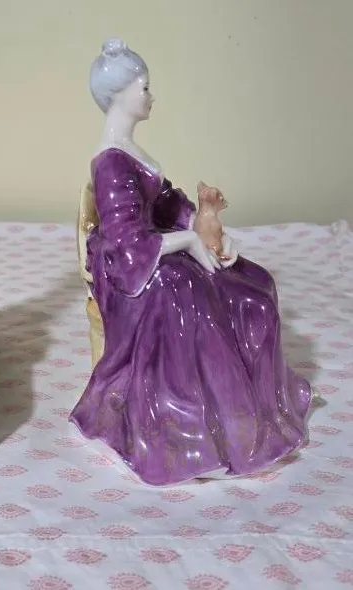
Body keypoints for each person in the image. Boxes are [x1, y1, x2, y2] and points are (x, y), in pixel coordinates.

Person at [70, 39, 313, 486]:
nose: (151, 96)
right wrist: (186, 241)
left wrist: (208, 230)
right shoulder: (109, 163)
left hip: (154, 244)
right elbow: (126, 241)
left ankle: (253, 406)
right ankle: (198, 427)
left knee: (253, 285)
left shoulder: (130, 150)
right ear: (120, 94)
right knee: (186, 293)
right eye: (144, 87)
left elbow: (169, 204)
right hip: (132, 267)